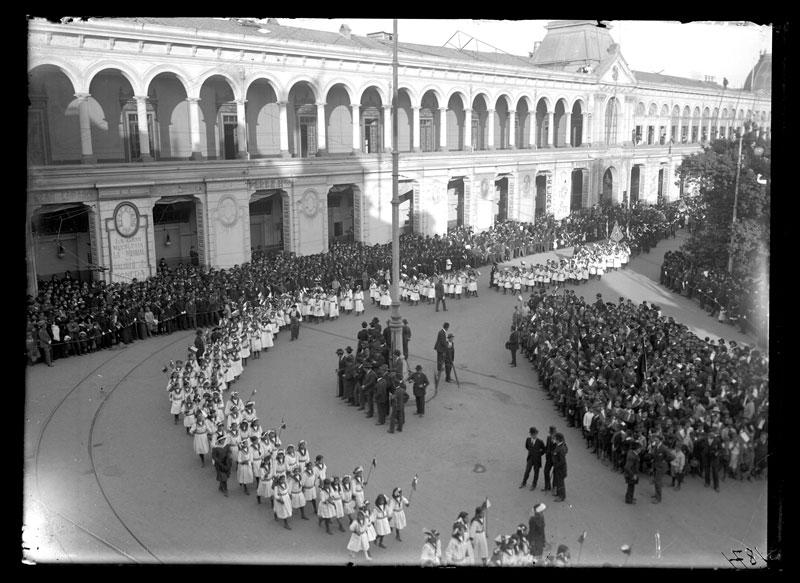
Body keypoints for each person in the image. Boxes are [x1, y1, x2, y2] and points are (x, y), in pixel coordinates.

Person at [552, 432, 568, 502]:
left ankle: (562, 496)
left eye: (555, 438)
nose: (554, 439)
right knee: (558, 482)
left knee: (561, 483)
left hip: (560, 469)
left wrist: (556, 465)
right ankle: (559, 494)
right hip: (559, 468)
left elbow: (562, 461)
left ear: (558, 439)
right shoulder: (561, 445)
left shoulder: (560, 449)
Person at [542, 426, 557, 492]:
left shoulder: (558, 440)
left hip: (555, 459)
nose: (551, 435)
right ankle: (547, 486)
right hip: (548, 458)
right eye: (551, 434)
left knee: (555, 474)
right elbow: (547, 447)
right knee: (546, 471)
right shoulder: (548, 438)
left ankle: (554, 487)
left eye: (552, 434)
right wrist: (544, 451)